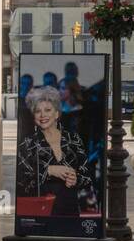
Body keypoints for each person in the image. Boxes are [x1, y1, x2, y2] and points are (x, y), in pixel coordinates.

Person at [17, 85, 93, 217]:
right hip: (41, 212)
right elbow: (22, 181)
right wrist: (49, 170)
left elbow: (87, 174)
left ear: (57, 113)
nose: (42, 115)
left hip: (71, 210)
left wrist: (76, 179)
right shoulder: (28, 143)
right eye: (37, 111)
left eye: (47, 110)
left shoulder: (73, 139)